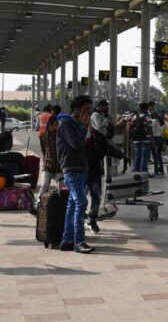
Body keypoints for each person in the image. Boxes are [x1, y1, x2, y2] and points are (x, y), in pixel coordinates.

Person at [57, 95, 95, 254]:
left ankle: (66, 241)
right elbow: (75, 143)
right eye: (86, 110)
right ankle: (79, 242)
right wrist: (84, 126)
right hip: (71, 169)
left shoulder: (79, 124)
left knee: (72, 205)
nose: (88, 113)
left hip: (81, 168)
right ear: (77, 109)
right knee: (81, 203)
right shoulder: (66, 123)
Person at [86, 100, 113, 233]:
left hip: (95, 169)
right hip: (81, 170)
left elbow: (106, 150)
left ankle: (92, 219)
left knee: (96, 195)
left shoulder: (97, 137)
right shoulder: (77, 135)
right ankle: (79, 220)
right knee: (80, 197)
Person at [33, 105, 63, 214]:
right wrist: (47, 157)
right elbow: (43, 149)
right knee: (44, 186)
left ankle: (61, 208)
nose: (57, 126)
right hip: (47, 165)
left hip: (59, 166)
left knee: (62, 188)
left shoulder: (61, 135)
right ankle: (38, 207)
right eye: (56, 124)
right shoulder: (44, 136)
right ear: (51, 124)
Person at [129, 103, 152, 173]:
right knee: (144, 155)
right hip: (146, 138)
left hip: (136, 138)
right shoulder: (148, 116)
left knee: (137, 155)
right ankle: (143, 170)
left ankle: (136, 169)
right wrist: (152, 137)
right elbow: (150, 128)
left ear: (140, 108)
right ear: (147, 108)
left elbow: (131, 126)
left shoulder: (135, 116)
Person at [149, 105, 166, 176]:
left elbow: (152, 131)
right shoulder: (162, 122)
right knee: (158, 155)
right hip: (160, 138)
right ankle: (161, 170)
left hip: (155, 139)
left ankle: (156, 171)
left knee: (155, 156)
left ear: (153, 116)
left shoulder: (153, 121)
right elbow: (163, 131)